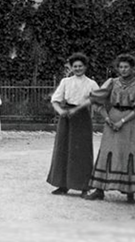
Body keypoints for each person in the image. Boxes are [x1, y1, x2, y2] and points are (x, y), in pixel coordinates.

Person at [84, 53, 135, 203]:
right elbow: (96, 99)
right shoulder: (112, 82)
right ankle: (99, 189)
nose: (123, 70)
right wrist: (107, 118)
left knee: (130, 152)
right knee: (107, 152)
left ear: (132, 68)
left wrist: (122, 121)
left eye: (126, 67)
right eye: (121, 67)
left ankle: (130, 192)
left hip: (130, 121)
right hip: (112, 120)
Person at [46, 53, 99, 196]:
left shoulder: (91, 84)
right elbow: (55, 100)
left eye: (80, 66)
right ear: (71, 67)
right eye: (75, 66)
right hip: (67, 117)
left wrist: (79, 108)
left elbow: (96, 99)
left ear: (85, 67)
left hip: (82, 117)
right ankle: (63, 185)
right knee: (63, 149)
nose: (77, 69)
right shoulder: (65, 82)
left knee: (82, 151)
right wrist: (61, 112)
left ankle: (84, 187)